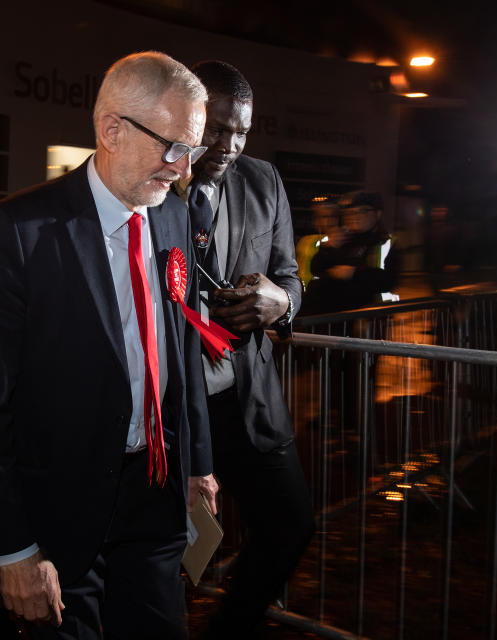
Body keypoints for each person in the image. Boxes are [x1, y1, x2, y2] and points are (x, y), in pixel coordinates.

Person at [0, 51, 218, 639]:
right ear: (112, 130)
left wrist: (197, 464)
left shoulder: (172, 217)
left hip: (156, 496)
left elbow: (182, 351)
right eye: (173, 146)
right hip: (59, 515)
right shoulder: (19, 229)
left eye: (192, 150)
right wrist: (12, 548)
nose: (181, 167)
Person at [179, 60, 315, 639]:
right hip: (169, 403)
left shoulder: (265, 181)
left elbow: (289, 276)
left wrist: (279, 304)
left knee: (290, 525)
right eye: (216, 127)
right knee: (162, 548)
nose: (229, 144)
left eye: (241, 131)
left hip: (245, 396)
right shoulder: (157, 180)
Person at [303, 190, 399, 315]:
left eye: (363, 211)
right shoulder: (342, 239)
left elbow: (388, 281)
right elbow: (316, 269)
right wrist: (328, 248)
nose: (356, 216)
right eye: (351, 212)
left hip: (371, 316)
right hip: (332, 315)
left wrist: (354, 273)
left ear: (378, 214)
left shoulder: (386, 242)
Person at [295, 196, 340, 289]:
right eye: (322, 217)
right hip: (302, 292)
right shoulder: (305, 240)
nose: (327, 221)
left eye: (331, 216)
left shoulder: (340, 240)